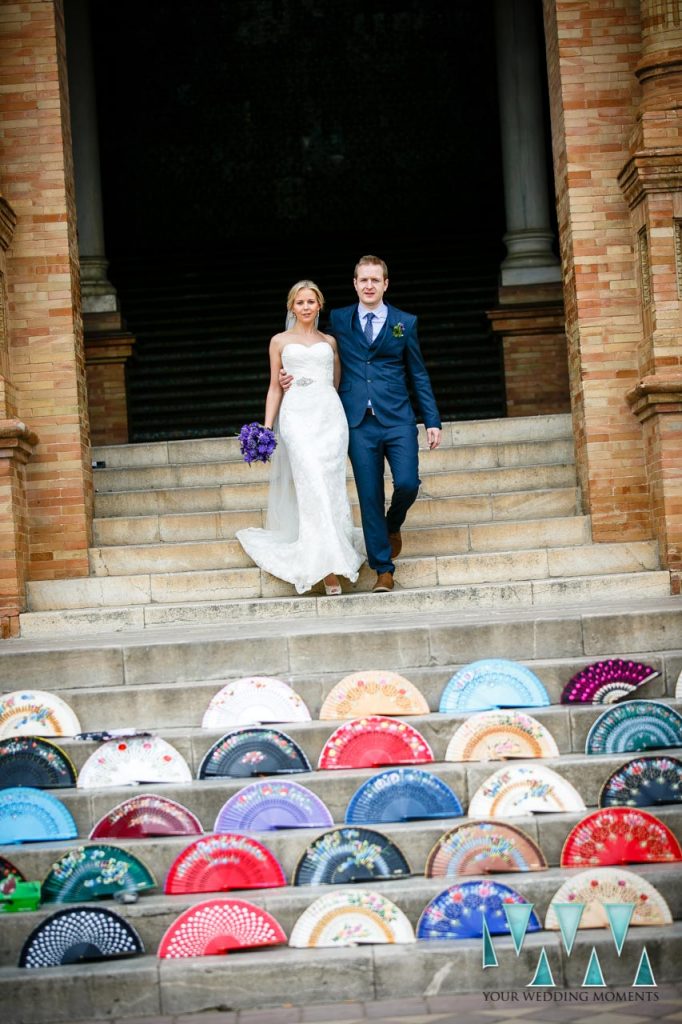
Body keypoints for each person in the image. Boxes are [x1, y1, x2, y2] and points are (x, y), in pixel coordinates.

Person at [281, 255, 441, 593]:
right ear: (355, 284)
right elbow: (307, 336)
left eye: (375, 280)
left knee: (408, 483)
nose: (369, 285)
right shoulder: (339, 319)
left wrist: (432, 420)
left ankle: (392, 523)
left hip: (398, 418)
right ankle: (384, 570)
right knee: (369, 495)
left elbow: (418, 373)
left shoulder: (404, 322)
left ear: (385, 284)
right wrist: (290, 374)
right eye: (363, 280)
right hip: (356, 422)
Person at [236, 280, 365, 596]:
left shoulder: (330, 342)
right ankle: (324, 567)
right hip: (296, 418)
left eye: (311, 301)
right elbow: (274, 387)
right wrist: (267, 427)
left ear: (319, 305)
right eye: (300, 302)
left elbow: (335, 382)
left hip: (329, 418)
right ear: (291, 307)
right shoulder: (279, 341)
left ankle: (335, 552)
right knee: (311, 485)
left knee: (331, 486)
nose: (306, 307)